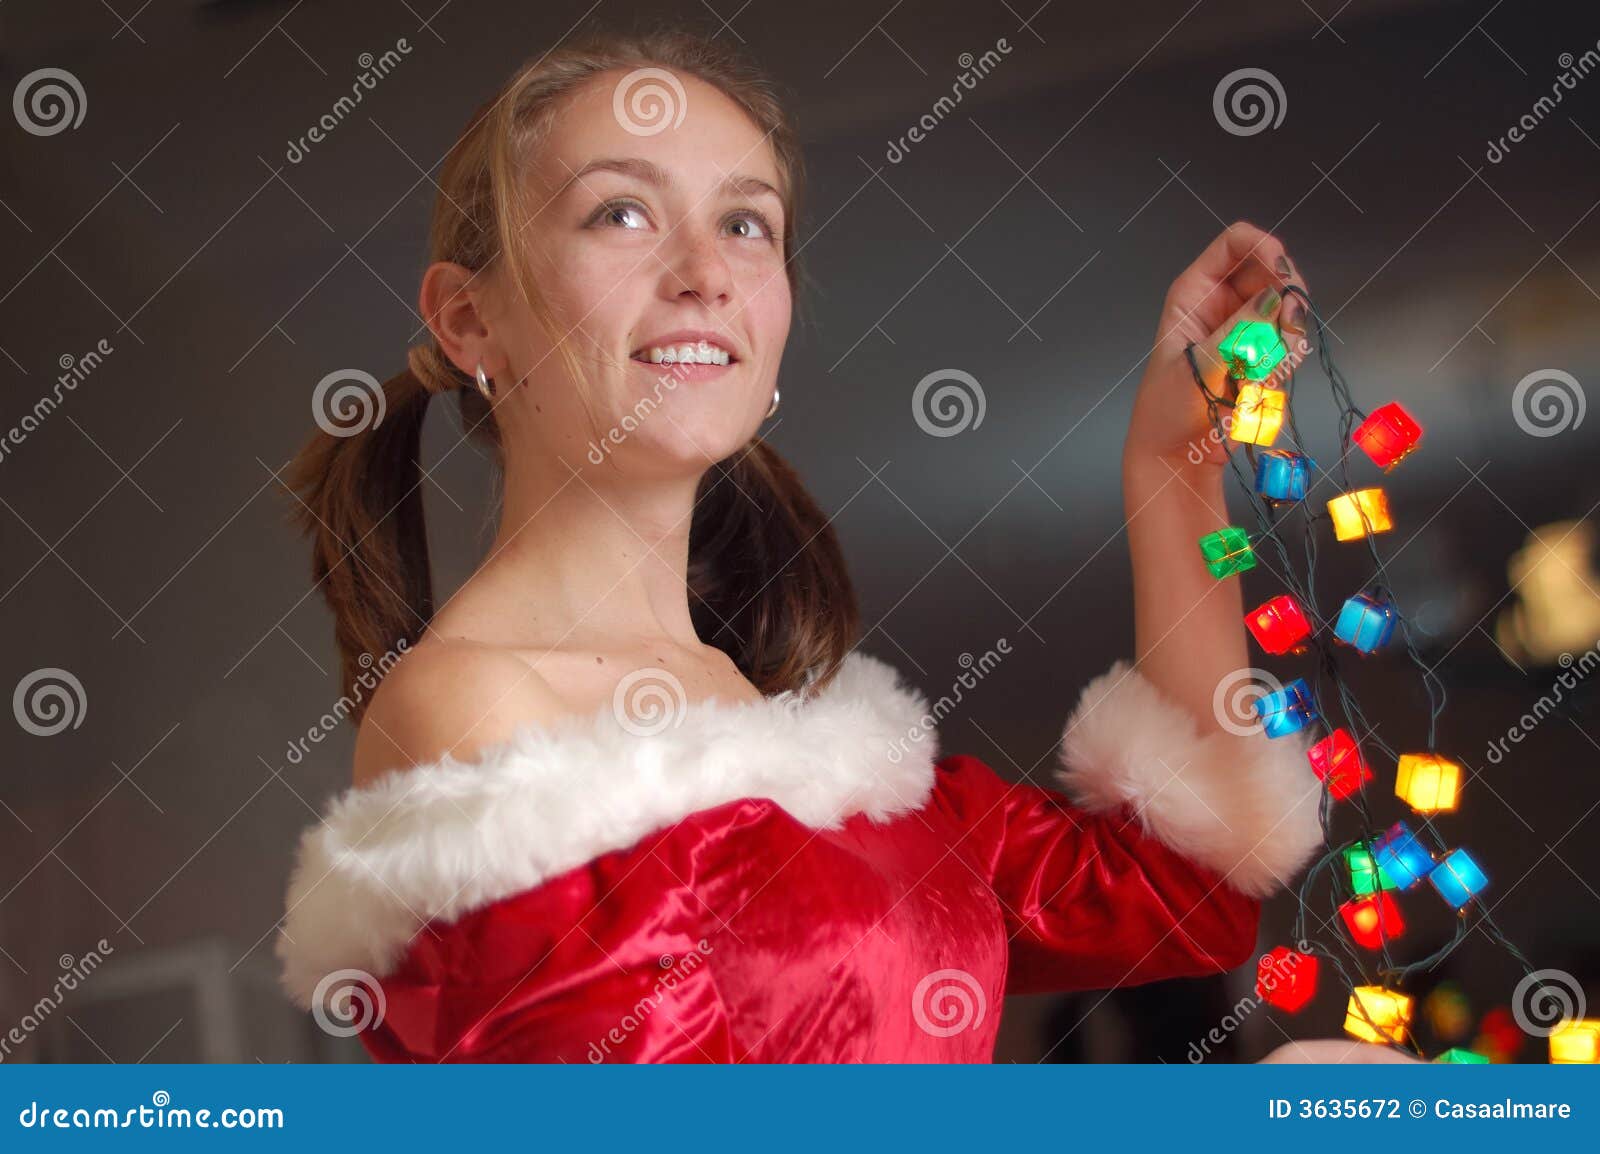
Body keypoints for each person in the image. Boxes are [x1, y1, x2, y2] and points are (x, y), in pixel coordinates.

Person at [275, 26, 1327, 1062]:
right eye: (622, 211)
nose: (704, 271)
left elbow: (1184, 892)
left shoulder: (830, 754)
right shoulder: (469, 709)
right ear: (469, 322)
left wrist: (1174, 469)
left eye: (746, 224)